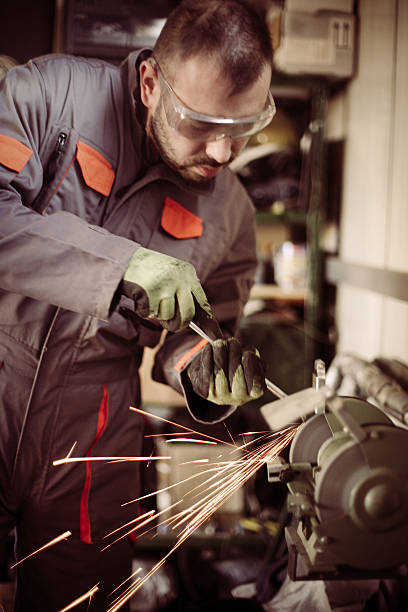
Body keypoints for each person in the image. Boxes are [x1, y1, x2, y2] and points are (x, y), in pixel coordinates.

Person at [0, 0, 275, 609]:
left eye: (242, 129)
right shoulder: (50, 98)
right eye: (203, 125)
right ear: (152, 83)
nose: (224, 153)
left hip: (94, 430)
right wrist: (122, 263)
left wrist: (205, 373)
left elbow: (201, 335)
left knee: (84, 600)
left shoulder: (230, 213)